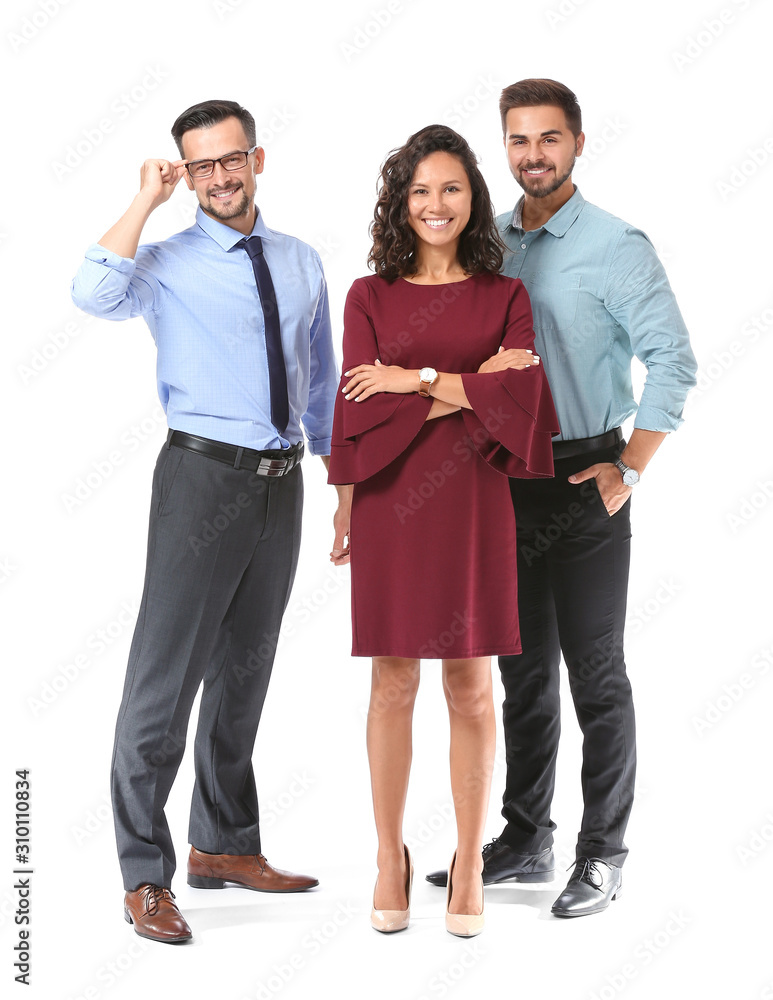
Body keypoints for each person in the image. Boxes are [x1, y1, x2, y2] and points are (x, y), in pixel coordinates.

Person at [71, 99, 347, 943]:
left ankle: (223, 846)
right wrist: (144, 200)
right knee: (166, 676)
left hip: (282, 483)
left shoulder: (301, 261)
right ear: (183, 173)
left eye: (231, 160)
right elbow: (90, 291)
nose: (219, 177)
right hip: (200, 479)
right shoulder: (162, 262)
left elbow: (319, 379)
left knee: (245, 669)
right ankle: (144, 875)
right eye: (200, 166)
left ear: (257, 160)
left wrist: (343, 481)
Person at [423, 78, 698, 916]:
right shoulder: (488, 241)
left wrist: (630, 466)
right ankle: (524, 838)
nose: (532, 154)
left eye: (547, 138)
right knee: (521, 674)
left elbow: (674, 361)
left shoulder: (618, 246)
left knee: (596, 675)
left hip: (585, 481)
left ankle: (603, 852)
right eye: (516, 140)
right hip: (503, 479)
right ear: (501, 148)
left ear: (577, 142)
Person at [327, 124, 558, 937]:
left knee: (468, 683)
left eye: (451, 188)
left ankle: (468, 858)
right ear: (400, 201)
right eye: (420, 190)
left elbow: (523, 405)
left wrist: (414, 377)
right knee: (392, 681)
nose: (435, 204)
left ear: (472, 198)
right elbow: (358, 408)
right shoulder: (368, 294)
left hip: (473, 503)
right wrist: (469, 386)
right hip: (391, 503)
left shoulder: (505, 297)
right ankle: (388, 854)